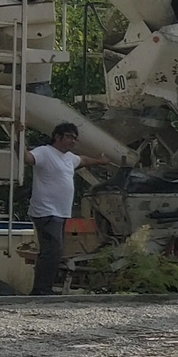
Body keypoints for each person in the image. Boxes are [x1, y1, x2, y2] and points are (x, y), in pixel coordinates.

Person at [23, 122, 115, 296]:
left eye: (75, 138)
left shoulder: (69, 158)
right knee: (52, 251)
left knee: (54, 251)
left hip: (60, 212)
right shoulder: (45, 152)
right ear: (57, 137)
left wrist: (100, 161)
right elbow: (28, 158)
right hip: (46, 211)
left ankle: (43, 289)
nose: (73, 141)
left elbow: (84, 160)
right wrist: (17, 140)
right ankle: (41, 291)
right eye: (69, 137)